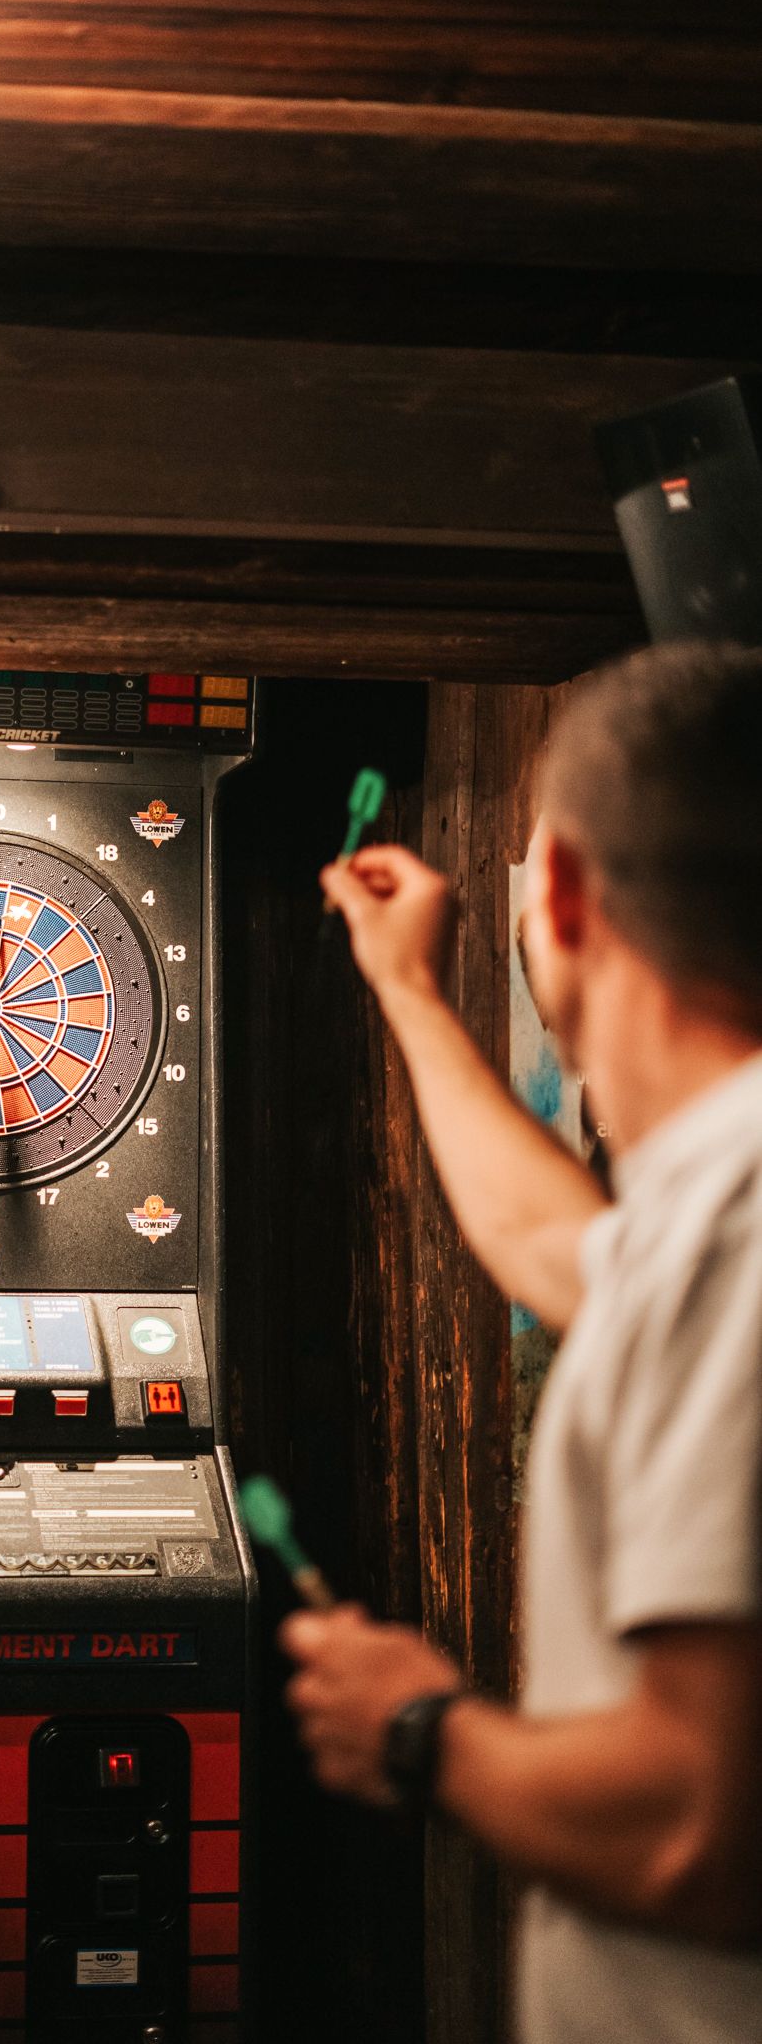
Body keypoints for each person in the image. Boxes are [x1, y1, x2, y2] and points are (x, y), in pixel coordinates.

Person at [279, 642, 762, 2043]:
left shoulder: (737, 1213)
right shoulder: (716, 1199)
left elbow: (703, 1828)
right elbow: (562, 1252)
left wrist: (420, 1730)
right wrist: (411, 995)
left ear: (559, 896)